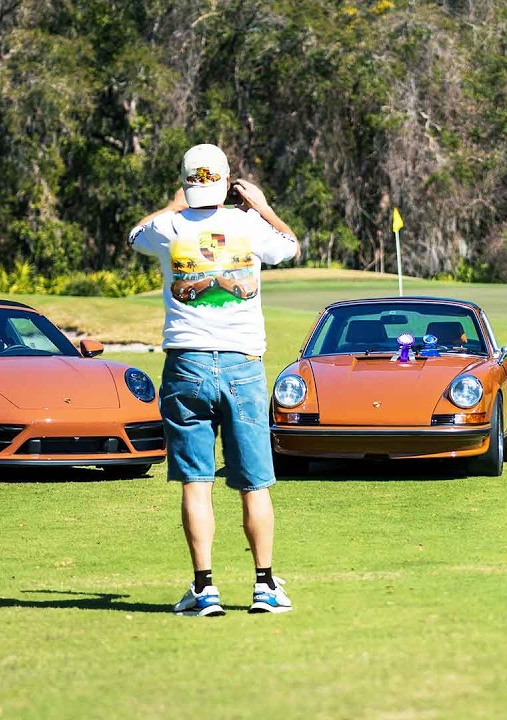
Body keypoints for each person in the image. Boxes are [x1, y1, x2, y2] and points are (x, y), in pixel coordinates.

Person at [128, 143, 300, 616]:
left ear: (186, 184)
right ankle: (265, 586)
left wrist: (174, 204)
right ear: (227, 182)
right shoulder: (249, 224)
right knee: (254, 483)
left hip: (186, 364)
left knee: (195, 482)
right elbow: (290, 246)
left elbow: (134, 234)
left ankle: (204, 589)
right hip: (243, 364)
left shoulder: (168, 227)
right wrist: (262, 205)